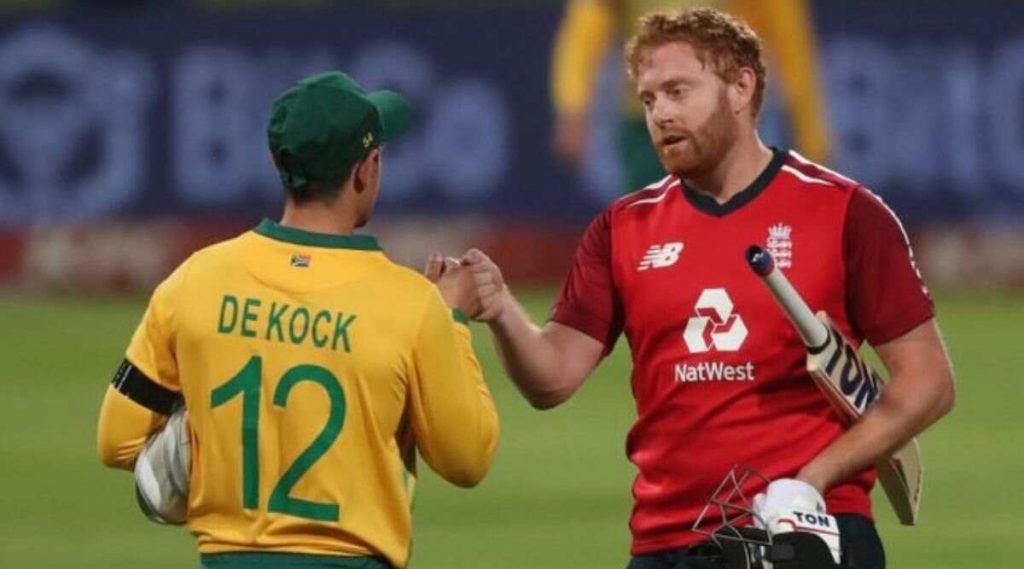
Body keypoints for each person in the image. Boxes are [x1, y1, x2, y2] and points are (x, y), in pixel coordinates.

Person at [464, 8, 954, 569]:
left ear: (741, 87)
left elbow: (929, 382)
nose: (660, 115)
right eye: (648, 99)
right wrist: (502, 311)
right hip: (666, 544)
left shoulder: (846, 213)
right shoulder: (622, 228)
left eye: (678, 92)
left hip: (805, 532)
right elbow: (552, 379)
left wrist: (811, 481)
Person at [96, 71, 500, 569]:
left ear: (279, 165)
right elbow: (467, 459)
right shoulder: (412, 304)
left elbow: (117, 441)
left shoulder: (194, 281)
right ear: (366, 170)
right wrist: (452, 319)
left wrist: (212, 439)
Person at [550, 0, 830, 192]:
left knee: (727, 233)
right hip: (648, 126)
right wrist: (573, 105)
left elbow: (790, 40)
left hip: (724, 123)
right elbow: (586, 31)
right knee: (649, 238)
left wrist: (811, 134)